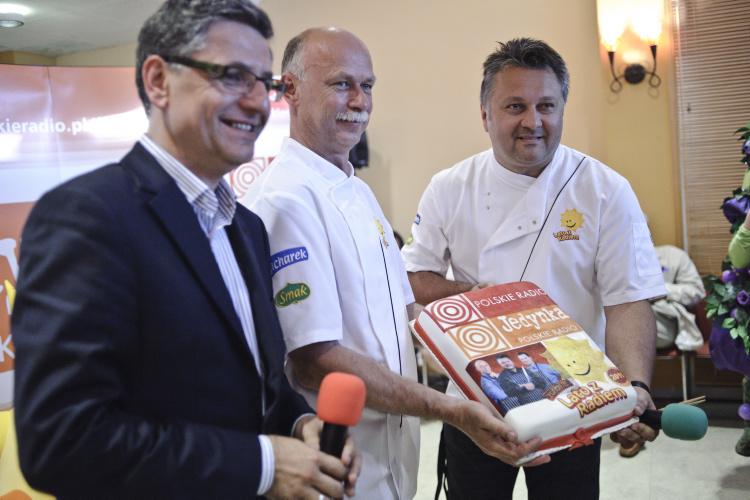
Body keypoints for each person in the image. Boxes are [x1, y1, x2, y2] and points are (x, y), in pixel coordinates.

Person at [10, 2, 360, 498]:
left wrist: (301, 424)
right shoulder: (86, 217)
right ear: (158, 81)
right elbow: (61, 442)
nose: (258, 103)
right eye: (233, 76)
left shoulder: (246, 228)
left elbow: (258, 384)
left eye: (264, 82)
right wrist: (262, 464)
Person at [245, 27, 546, 499]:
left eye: (367, 86)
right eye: (341, 84)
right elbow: (314, 362)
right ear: (290, 90)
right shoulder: (285, 200)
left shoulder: (358, 191)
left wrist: (506, 370)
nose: (359, 101)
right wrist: (452, 410)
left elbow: (407, 315)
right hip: (337, 461)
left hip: (393, 458)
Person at [402, 37, 666, 499]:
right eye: (515, 106)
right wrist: (480, 298)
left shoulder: (604, 189)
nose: (533, 121)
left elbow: (627, 298)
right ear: (485, 115)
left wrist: (635, 387)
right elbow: (413, 278)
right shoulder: (450, 187)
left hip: (575, 396)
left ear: (563, 108)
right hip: (475, 400)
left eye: (546, 106)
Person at [652, 245, 705, 351]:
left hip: (664, 321)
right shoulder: (619, 260)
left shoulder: (674, 256)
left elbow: (696, 292)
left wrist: (660, 290)